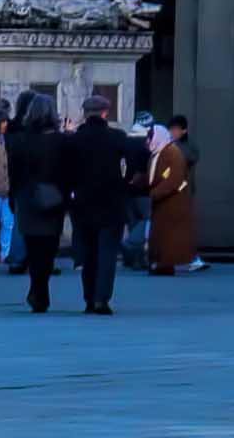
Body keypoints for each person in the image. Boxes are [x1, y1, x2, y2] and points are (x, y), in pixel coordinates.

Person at [58, 96, 137, 314]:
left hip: (82, 202)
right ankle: (102, 298)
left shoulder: (74, 140)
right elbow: (134, 161)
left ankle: (89, 298)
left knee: (88, 252)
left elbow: (64, 170)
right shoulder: (117, 137)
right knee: (107, 252)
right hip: (111, 202)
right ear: (105, 113)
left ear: (85, 114)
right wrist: (125, 183)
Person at [7, 90, 71, 309]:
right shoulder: (62, 141)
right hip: (54, 199)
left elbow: (13, 173)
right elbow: (68, 173)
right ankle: (41, 289)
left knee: (33, 248)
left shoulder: (19, 140)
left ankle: (37, 288)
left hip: (27, 198)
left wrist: (12, 195)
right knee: (49, 248)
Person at [146, 114, 200, 275]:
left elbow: (173, 177)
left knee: (170, 234)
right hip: (166, 200)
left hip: (173, 199)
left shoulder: (174, 152)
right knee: (162, 233)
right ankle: (162, 263)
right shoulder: (160, 152)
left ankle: (166, 263)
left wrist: (155, 192)